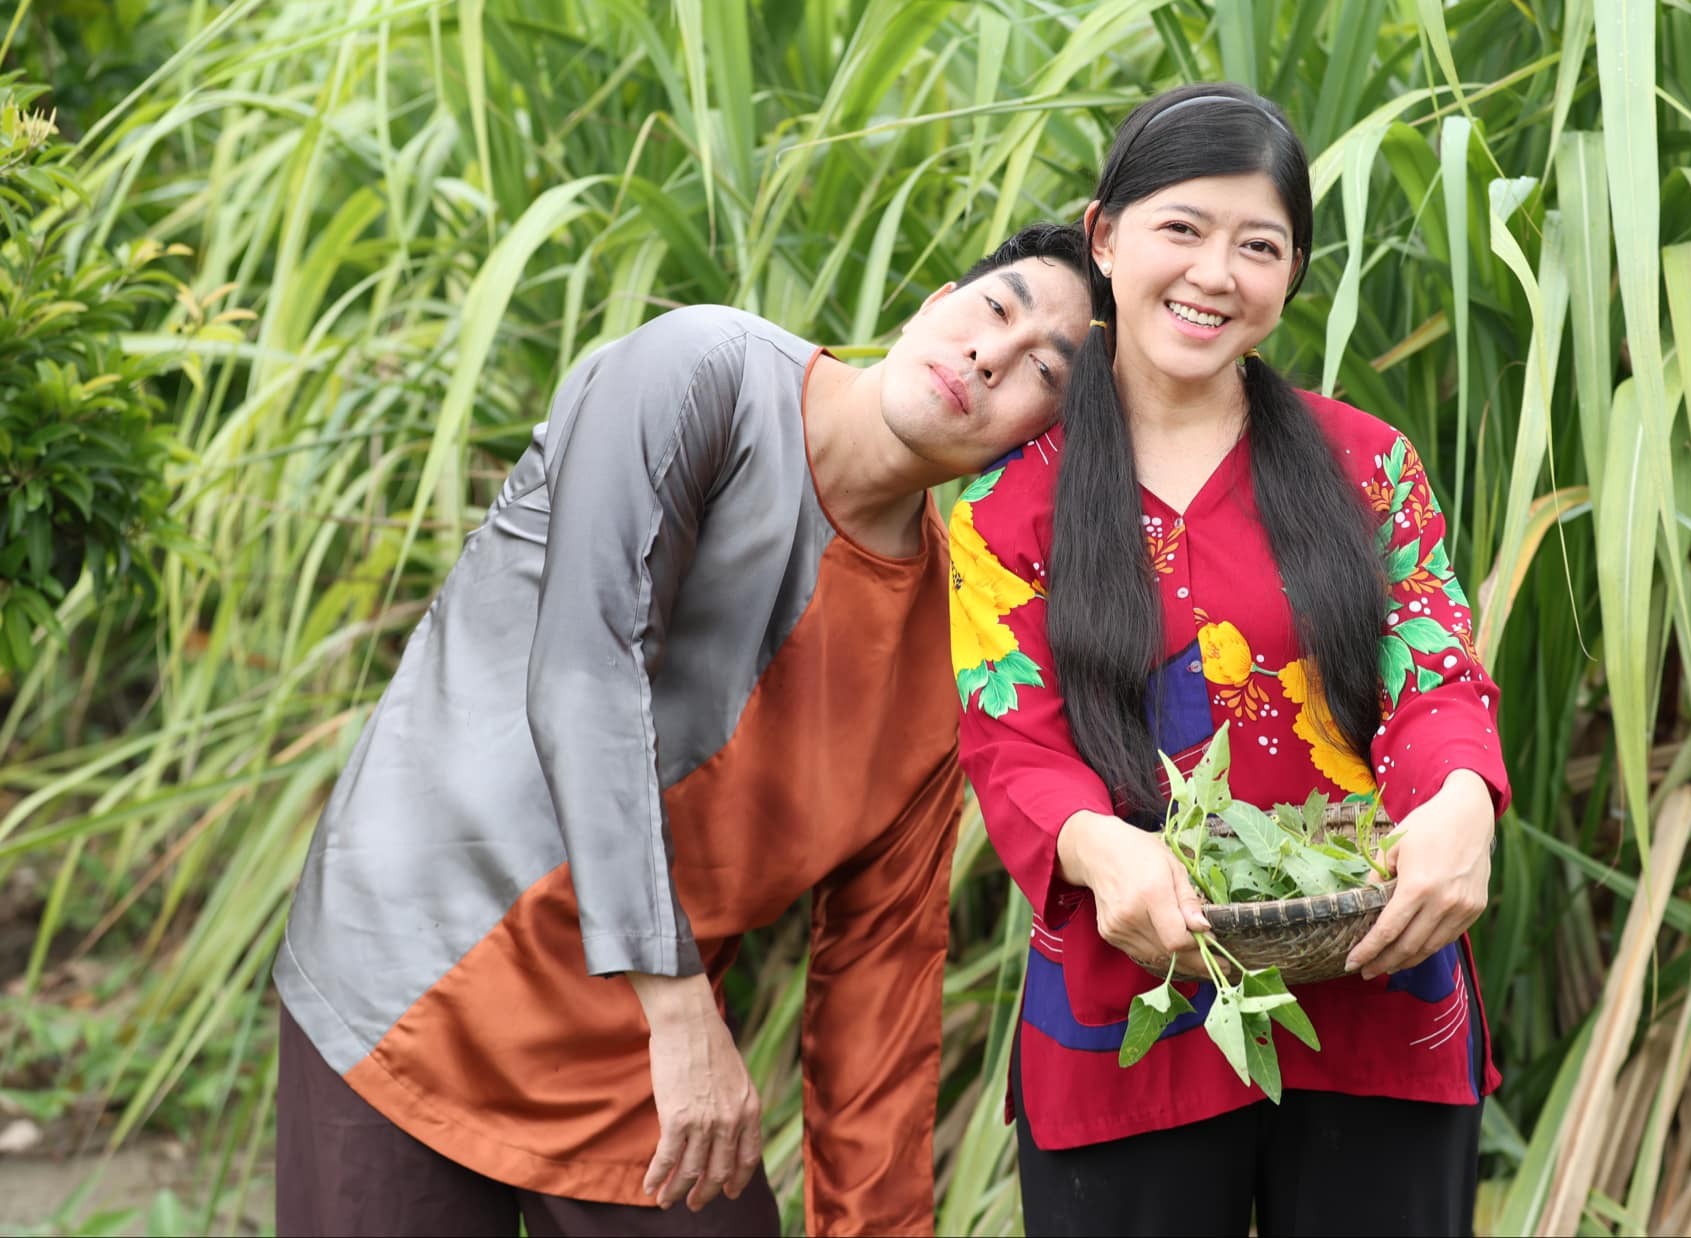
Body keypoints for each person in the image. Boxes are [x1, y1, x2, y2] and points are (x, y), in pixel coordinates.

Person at [272, 222, 1092, 1237]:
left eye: (1042, 370)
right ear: (934, 303)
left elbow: (881, 973)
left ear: (1039, 441)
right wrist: (676, 1012)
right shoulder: (702, 371)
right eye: (995, 309)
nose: (989, 355)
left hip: (636, 1054)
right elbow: (584, 671)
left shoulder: (951, 647)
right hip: (416, 967)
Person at [950, 85, 1510, 1237]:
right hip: (1130, 1008)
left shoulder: (1368, 463)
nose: (1216, 273)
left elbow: (1434, 674)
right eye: (1181, 229)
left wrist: (1461, 800)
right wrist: (1100, 848)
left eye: (1258, 246)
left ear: (1290, 274)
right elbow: (1013, 740)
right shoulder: (1010, 502)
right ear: (1103, 236)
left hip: (1375, 990)